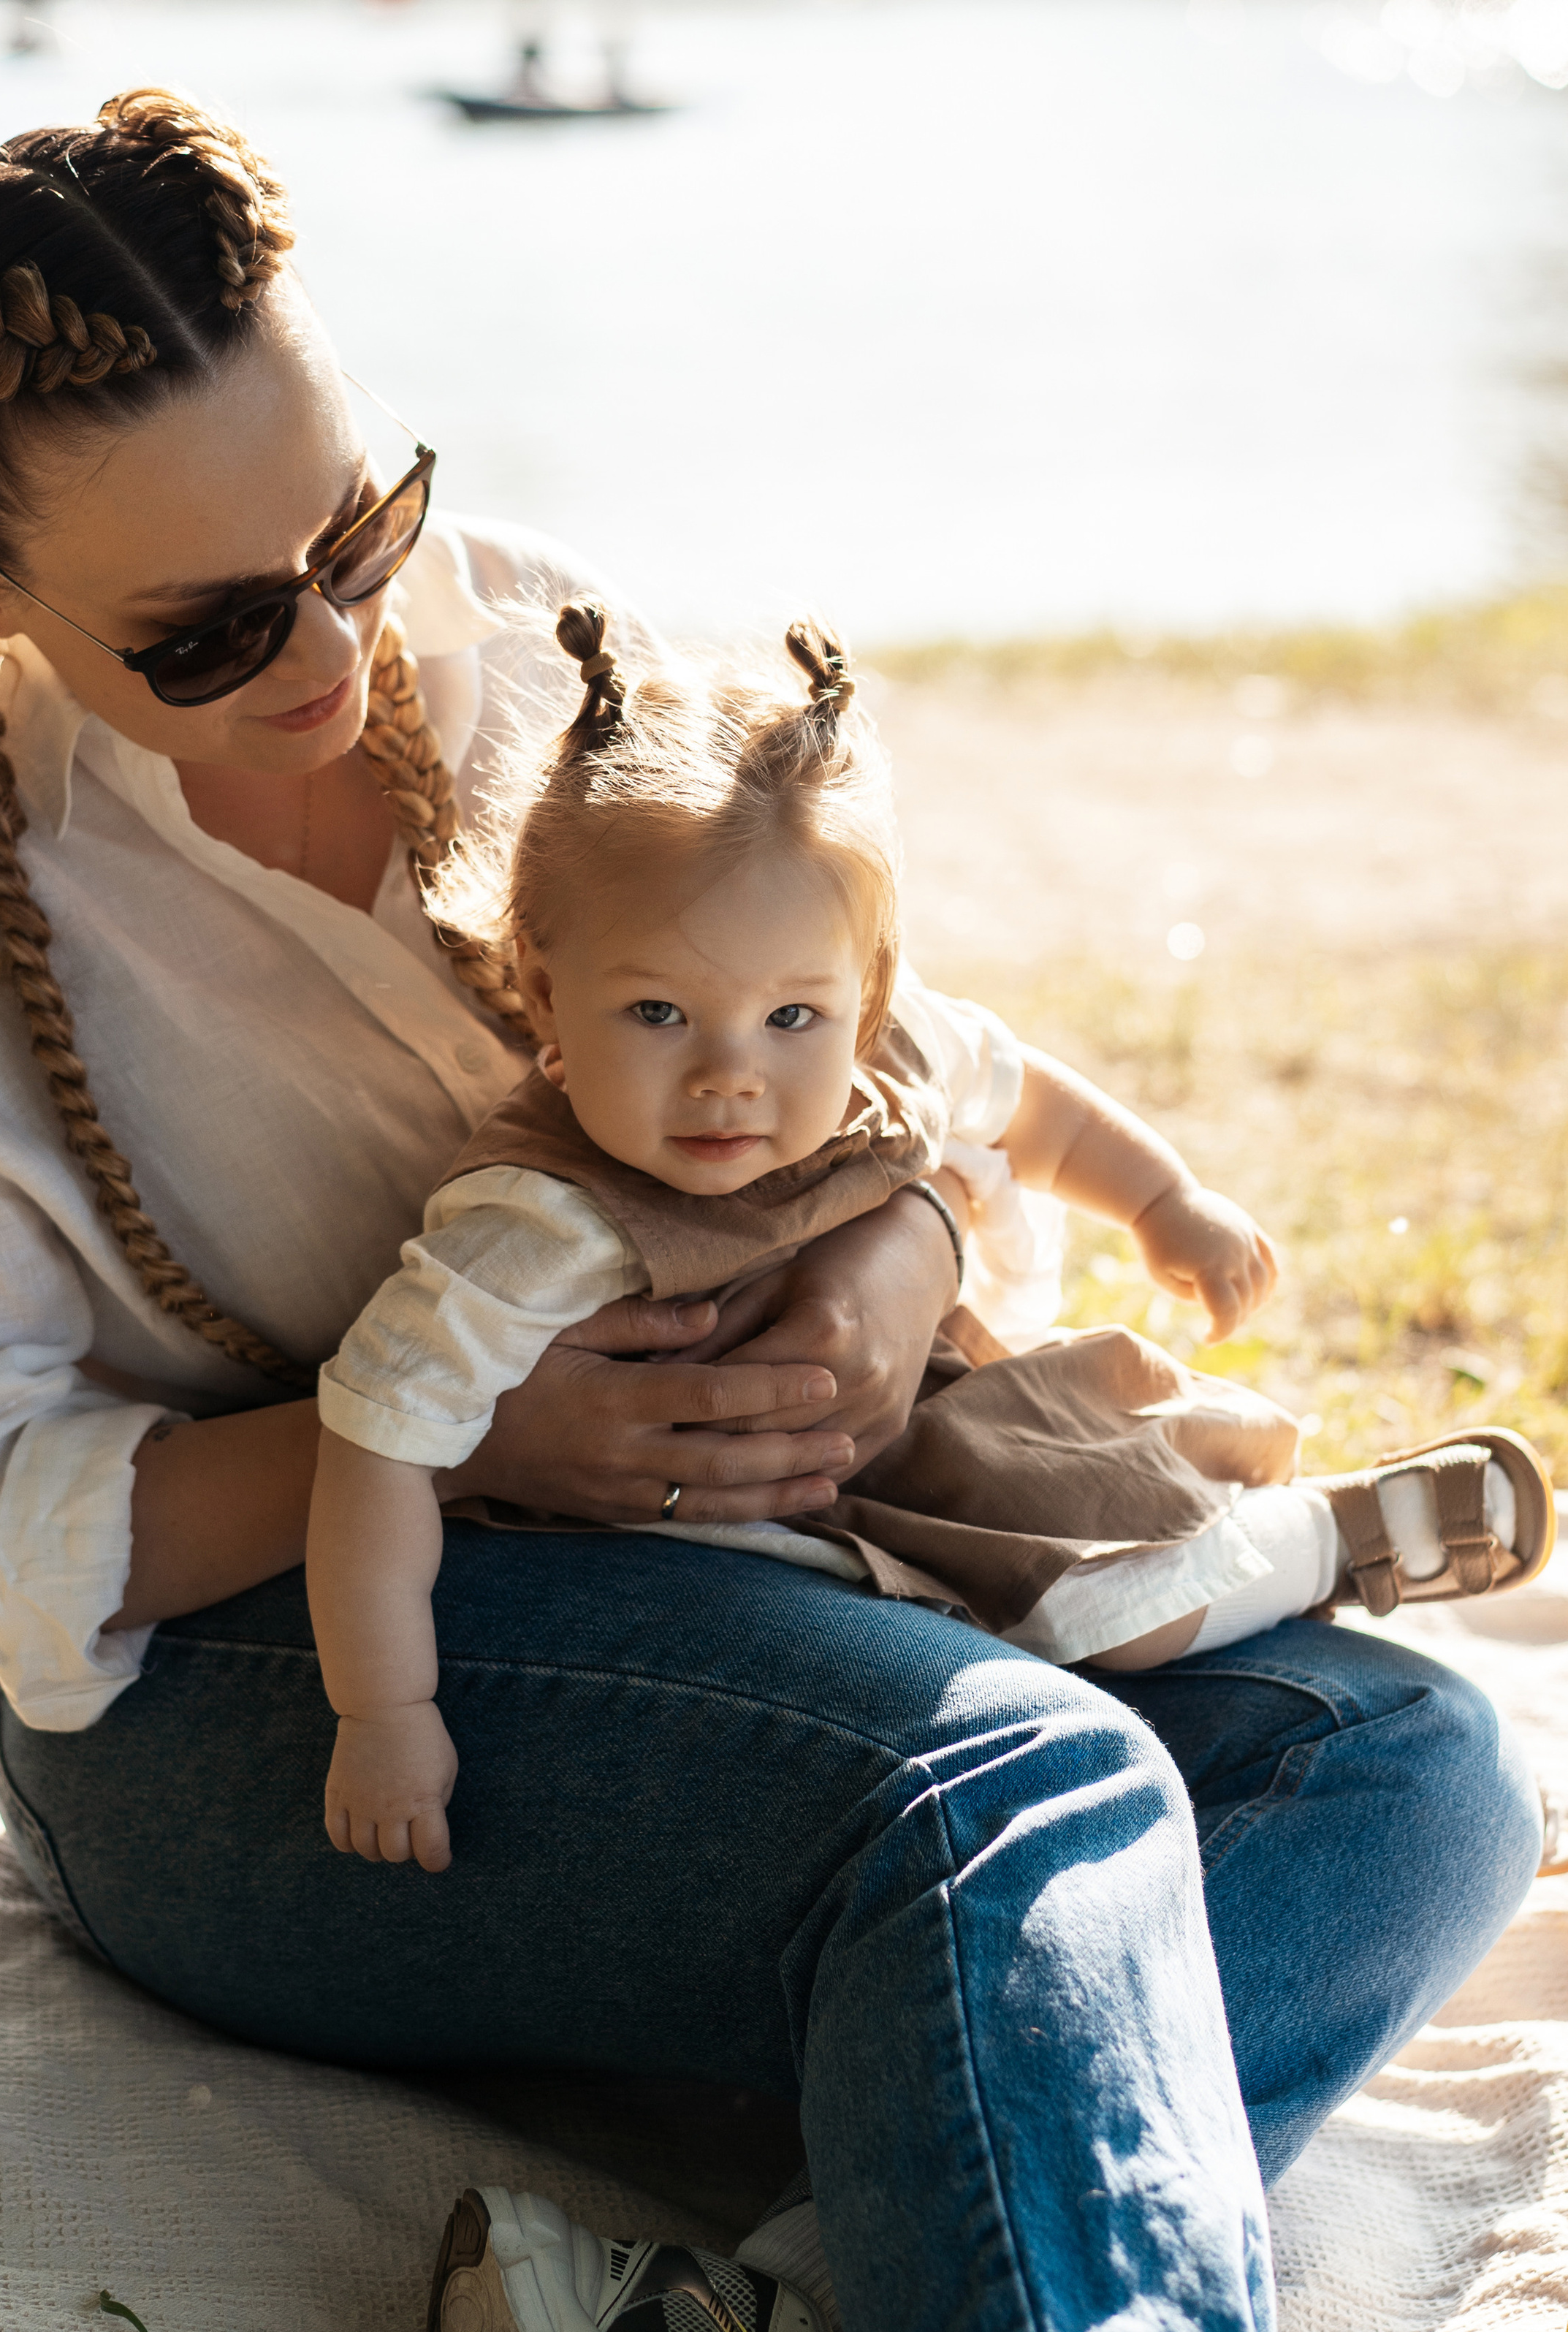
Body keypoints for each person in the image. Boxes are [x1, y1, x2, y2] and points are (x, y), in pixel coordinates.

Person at [0, 89, 1534, 2332]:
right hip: (270, 1716)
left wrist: (903, 1258)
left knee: (1400, 1762)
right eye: (217, 630)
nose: (345, 656)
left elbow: (856, 1030)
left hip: (789, 1605)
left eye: (355, 534)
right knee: (1013, 1784)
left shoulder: (545, 645)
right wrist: (469, 1457)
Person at [308, 597, 1552, 1869]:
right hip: (737, 1562)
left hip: (940, 1452)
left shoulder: (887, 1053)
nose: (730, 1075)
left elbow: (1033, 1101)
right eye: (659, 1013)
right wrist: (384, 1711)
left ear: (870, 989)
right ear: (544, 986)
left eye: (793, 1016)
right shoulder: (536, 1222)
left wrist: (1167, 1203)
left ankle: (1325, 1539)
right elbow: (374, 1448)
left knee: (1117, 1612)